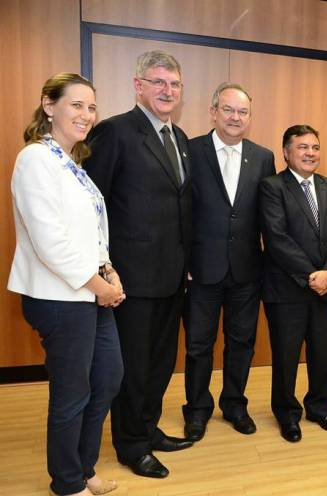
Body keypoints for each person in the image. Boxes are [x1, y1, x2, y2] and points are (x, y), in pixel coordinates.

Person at [8, 72, 124, 496]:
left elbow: (89, 231)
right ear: (48, 105)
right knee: (72, 393)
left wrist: (108, 269)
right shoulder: (35, 159)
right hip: (59, 298)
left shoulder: (73, 164)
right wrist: (99, 285)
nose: (86, 114)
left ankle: (83, 468)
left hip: (90, 292)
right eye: (76, 105)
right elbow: (49, 240)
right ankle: (68, 483)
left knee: (107, 379)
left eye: (91, 107)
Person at [84, 50, 192, 479]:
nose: (168, 90)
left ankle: (148, 429)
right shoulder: (114, 132)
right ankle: (131, 445)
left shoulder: (179, 137)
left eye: (175, 84)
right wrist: (103, 268)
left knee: (161, 363)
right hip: (131, 277)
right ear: (138, 85)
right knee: (133, 367)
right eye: (159, 82)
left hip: (172, 276)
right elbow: (92, 205)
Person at [182, 82, 275, 442]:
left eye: (243, 111)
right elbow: (181, 212)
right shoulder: (190, 150)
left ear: (250, 116)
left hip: (247, 271)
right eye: (228, 109)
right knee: (198, 345)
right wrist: (184, 262)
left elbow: (267, 215)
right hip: (201, 270)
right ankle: (197, 409)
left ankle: (234, 404)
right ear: (213, 112)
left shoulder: (263, 157)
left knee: (242, 343)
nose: (235, 117)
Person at [259, 125, 327, 443]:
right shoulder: (272, 187)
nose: (310, 153)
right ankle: (287, 414)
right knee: (286, 357)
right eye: (302, 147)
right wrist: (313, 275)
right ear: (286, 152)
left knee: (322, 355)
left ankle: (319, 408)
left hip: (324, 288)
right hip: (287, 289)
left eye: (315, 147)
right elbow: (277, 238)